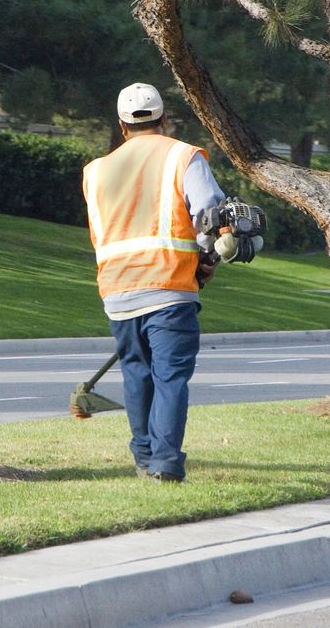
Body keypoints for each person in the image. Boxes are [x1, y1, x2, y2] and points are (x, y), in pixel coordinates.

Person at [82, 82, 226, 482]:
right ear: (164, 119)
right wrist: (208, 261)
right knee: (170, 377)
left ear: (122, 125)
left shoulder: (95, 171)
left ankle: (143, 458)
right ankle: (163, 463)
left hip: (117, 290)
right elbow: (210, 216)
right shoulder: (183, 156)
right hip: (168, 286)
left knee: (136, 373)